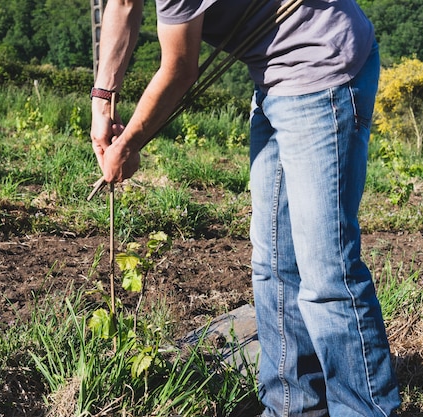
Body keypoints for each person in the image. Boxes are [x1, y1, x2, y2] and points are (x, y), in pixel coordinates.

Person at [89, 0, 401, 415]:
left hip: (321, 69)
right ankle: (291, 407)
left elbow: (180, 69)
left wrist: (128, 145)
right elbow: (123, 3)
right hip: (273, 80)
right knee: (273, 265)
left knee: (326, 274)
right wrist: (102, 100)